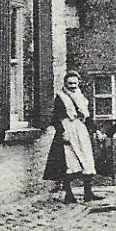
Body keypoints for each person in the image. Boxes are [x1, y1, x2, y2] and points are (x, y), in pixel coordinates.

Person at [43, 70, 98, 203]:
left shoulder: (81, 97)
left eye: (75, 83)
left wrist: (96, 130)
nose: (72, 86)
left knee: (86, 160)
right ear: (65, 83)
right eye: (70, 83)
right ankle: (69, 194)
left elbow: (87, 116)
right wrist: (63, 132)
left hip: (81, 130)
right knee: (68, 162)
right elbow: (55, 118)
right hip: (67, 129)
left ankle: (88, 192)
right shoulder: (61, 97)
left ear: (78, 83)